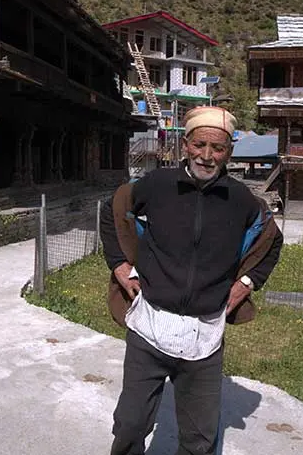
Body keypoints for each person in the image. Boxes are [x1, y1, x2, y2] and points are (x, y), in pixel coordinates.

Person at [100, 106, 283, 455]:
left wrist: (247, 282)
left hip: (205, 337)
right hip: (149, 328)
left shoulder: (241, 200)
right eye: (200, 145)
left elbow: (272, 240)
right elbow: (113, 211)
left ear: (228, 152)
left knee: (199, 439)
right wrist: (120, 266)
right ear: (186, 145)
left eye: (218, 148)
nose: (207, 156)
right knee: (131, 424)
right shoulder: (157, 185)